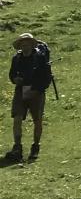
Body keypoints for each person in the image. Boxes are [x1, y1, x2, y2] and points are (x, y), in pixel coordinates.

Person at [6, 33, 52, 162]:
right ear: (20, 45)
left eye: (27, 43)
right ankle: (17, 147)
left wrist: (36, 90)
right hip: (20, 91)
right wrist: (15, 79)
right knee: (17, 118)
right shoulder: (16, 58)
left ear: (32, 45)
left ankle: (35, 147)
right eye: (22, 43)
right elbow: (11, 74)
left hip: (36, 92)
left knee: (37, 120)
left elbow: (46, 78)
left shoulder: (40, 58)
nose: (25, 45)